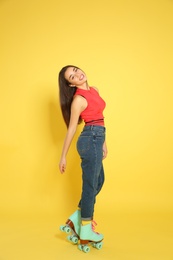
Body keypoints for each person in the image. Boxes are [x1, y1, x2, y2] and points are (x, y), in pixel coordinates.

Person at [58, 65, 108, 252]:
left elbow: (100, 117)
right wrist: (63, 156)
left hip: (97, 137)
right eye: (73, 76)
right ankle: (86, 229)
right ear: (71, 83)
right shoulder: (78, 99)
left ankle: (76, 219)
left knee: (99, 180)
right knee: (90, 185)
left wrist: (104, 142)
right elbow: (71, 128)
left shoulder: (94, 90)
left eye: (76, 70)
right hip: (89, 139)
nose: (78, 74)